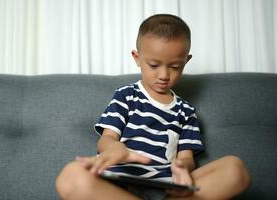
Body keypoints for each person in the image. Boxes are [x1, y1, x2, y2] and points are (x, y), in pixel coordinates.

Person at [55, 14, 251, 200]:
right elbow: (106, 139)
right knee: (71, 176)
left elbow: (187, 158)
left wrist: (182, 167)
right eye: (154, 65)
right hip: (118, 185)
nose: (164, 75)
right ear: (137, 58)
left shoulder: (186, 111)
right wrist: (116, 150)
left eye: (175, 67)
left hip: (165, 188)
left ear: (186, 61)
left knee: (235, 169)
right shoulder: (126, 95)